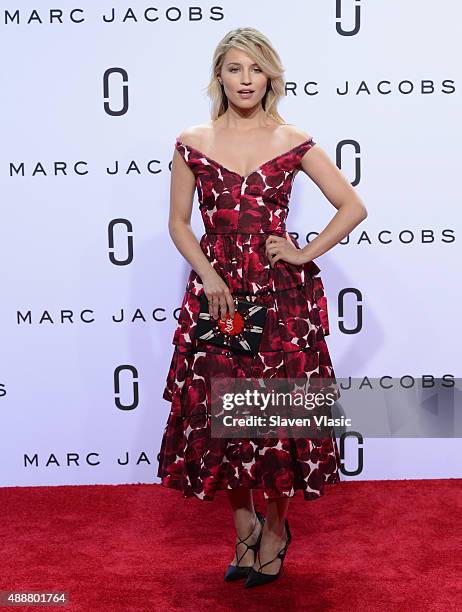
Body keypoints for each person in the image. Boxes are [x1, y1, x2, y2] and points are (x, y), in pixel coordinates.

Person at [157, 26, 367, 588]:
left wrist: (301, 253)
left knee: (276, 415)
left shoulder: (291, 138)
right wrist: (207, 275)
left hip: (277, 296)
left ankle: (276, 529)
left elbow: (352, 206)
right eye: (234, 69)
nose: (245, 80)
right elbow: (179, 222)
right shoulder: (192, 140)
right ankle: (243, 525)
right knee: (223, 410)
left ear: (270, 77)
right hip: (221, 295)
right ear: (218, 76)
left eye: (256, 70)